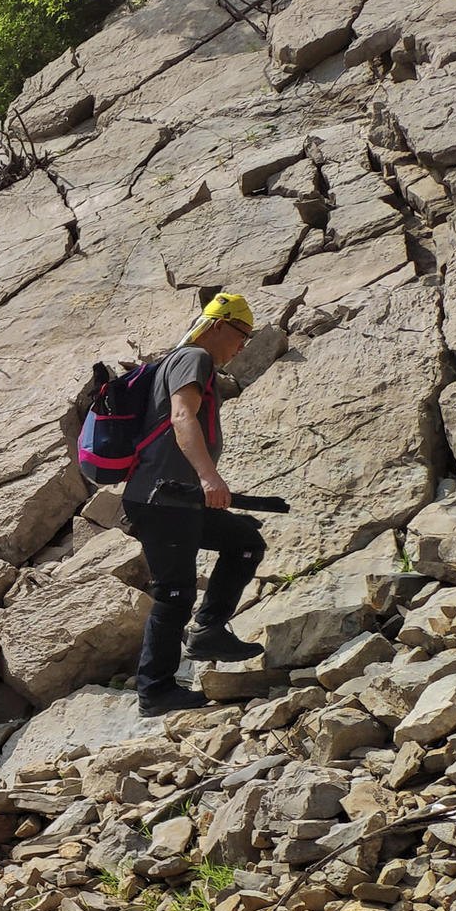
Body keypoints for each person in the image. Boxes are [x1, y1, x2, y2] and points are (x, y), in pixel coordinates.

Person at [124, 292, 267, 716]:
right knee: (173, 591)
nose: (242, 348)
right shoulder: (195, 358)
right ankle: (155, 691)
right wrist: (209, 476)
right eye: (241, 336)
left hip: (174, 500)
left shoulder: (181, 360)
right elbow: (182, 417)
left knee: (243, 540)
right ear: (219, 325)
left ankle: (208, 631)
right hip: (162, 500)